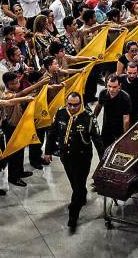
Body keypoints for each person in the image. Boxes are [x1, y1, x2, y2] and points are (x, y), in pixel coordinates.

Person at [44, 92, 103, 232]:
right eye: (69, 104)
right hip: (66, 156)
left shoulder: (88, 117)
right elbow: (52, 133)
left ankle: (73, 214)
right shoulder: (60, 112)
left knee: (77, 185)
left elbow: (97, 140)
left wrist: (102, 160)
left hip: (82, 157)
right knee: (75, 183)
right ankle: (81, 196)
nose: (71, 107)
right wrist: (47, 151)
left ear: (80, 103)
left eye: (75, 105)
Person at [93, 75, 132, 148]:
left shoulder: (125, 98)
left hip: (119, 128)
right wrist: (93, 120)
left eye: (114, 87)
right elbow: (98, 107)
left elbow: (126, 119)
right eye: (109, 86)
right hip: (106, 127)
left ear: (119, 86)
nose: (111, 89)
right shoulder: (103, 93)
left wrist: (124, 136)